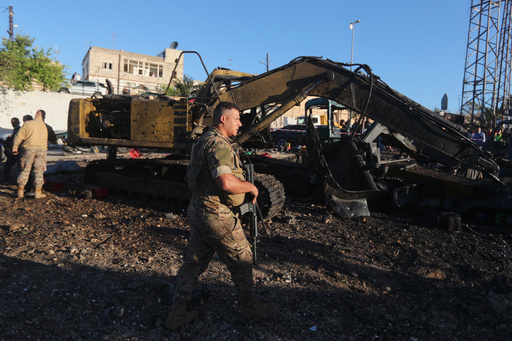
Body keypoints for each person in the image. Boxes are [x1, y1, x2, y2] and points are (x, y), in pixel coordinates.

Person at [165, 102, 278, 330]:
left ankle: (177, 313)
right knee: (242, 257)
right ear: (223, 119)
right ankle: (249, 305)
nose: (240, 123)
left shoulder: (202, 141)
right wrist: (250, 187)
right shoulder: (219, 146)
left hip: (199, 209)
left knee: (194, 262)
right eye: (236, 119)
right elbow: (226, 182)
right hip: (216, 213)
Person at [12, 110, 48, 199]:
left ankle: (20, 192)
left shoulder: (28, 123)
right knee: (39, 171)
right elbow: (53, 137)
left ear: (36, 114)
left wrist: (15, 147)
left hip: (28, 149)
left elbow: (19, 136)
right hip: (41, 150)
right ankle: (38, 193)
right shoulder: (46, 126)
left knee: (25, 170)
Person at [2, 117, 21, 183]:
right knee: (7, 166)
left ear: (19, 123)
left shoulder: (20, 130)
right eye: (13, 123)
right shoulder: (15, 130)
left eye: (15, 122)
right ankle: (6, 179)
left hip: (18, 152)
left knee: (20, 168)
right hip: (13, 152)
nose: (14, 124)